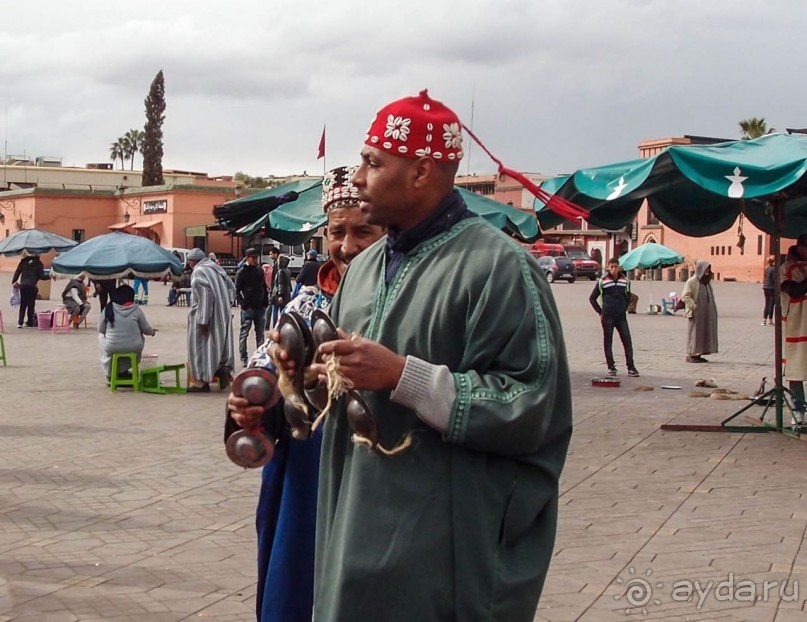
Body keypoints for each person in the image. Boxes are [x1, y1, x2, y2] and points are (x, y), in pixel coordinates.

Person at [261, 91, 569, 621]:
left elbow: (532, 403)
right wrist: (304, 382)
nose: (357, 178)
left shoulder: (499, 269)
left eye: (372, 163)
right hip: (353, 532)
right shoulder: (362, 270)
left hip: (440, 557)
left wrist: (404, 376)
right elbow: (344, 393)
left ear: (422, 172)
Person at [225, 165, 386, 622]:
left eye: (364, 231)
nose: (348, 245)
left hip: (377, 472)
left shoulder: (402, 306)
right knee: (298, 581)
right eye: (338, 232)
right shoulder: (305, 304)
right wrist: (251, 407)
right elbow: (264, 375)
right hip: (308, 474)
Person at [187, 247, 236, 393]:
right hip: (223, 316)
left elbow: (205, 296)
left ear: (193, 261)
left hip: (207, 316)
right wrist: (226, 306)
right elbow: (232, 288)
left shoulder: (199, 272)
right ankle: (223, 369)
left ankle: (201, 382)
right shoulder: (217, 269)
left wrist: (203, 319)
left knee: (201, 349)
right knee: (220, 346)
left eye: (189, 260)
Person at [589, 257, 639, 377]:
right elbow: (592, 298)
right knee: (608, 341)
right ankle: (611, 366)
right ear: (608, 267)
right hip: (607, 316)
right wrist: (600, 311)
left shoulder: (625, 281)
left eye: (615, 267)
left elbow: (628, 296)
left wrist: (624, 307)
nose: (613, 269)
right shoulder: (603, 281)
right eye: (611, 267)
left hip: (621, 316)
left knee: (627, 341)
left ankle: (631, 367)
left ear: (619, 267)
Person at [98, 284, 157, 382]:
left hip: (112, 347)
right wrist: (152, 332)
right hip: (134, 347)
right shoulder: (136, 310)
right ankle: (123, 370)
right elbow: (146, 329)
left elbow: (101, 329)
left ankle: (110, 373)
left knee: (101, 337)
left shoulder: (108, 308)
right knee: (138, 337)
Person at [780, 235, 807, 422]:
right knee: (796, 367)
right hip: (796, 326)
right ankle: (799, 408)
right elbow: (795, 291)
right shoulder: (787, 268)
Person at [235, 247, 269, 367]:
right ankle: (244, 357)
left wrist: (265, 302)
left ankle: (260, 356)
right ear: (247, 258)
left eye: (256, 258)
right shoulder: (242, 272)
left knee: (260, 334)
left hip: (260, 307)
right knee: (244, 333)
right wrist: (243, 305)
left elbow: (263, 287)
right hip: (248, 308)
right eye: (253, 258)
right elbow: (237, 291)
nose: (255, 260)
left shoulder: (259, 270)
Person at [682, 260, 718, 363]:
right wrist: (694, 306)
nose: (707, 270)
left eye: (708, 268)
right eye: (705, 268)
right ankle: (691, 354)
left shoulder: (706, 282)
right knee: (694, 333)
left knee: (703, 333)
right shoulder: (692, 281)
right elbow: (685, 296)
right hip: (696, 312)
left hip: (706, 313)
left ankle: (698, 353)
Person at [11, 252, 48, 328]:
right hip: (32, 286)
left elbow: (17, 272)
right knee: (31, 304)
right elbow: (42, 276)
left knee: (23, 304)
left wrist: (14, 281)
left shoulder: (23, 261)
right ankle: (30, 322)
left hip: (23, 285)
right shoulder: (39, 263)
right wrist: (51, 275)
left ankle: (20, 323)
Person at [268, 254, 291, 328]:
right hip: (286, 293)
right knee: (282, 310)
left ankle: (276, 325)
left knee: (275, 310)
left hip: (278, 293)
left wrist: (280, 295)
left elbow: (280, 284)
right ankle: (281, 324)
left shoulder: (280, 271)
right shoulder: (287, 271)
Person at [264, 247, 280, 328]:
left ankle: (270, 325)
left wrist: (273, 288)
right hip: (275, 289)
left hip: (275, 290)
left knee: (273, 307)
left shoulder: (277, 264)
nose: (270, 256)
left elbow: (276, 279)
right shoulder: (277, 263)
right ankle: (272, 325)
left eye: (271, 254)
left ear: (275, 254)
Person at [762, 255, 776, 325]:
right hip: (772, 288)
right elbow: (774, 279)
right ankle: (770, 320)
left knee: (766, 304)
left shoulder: (766, 268)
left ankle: (764, 320)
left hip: (765, 287)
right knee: (771, 304)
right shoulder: (774, 269)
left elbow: (765, 277)